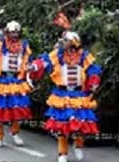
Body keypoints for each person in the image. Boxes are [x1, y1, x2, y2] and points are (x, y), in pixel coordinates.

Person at [30, 32, 101, 162]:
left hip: (80, 95)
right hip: (62, 94)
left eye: (66, 41)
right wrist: (34, 66)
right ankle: (62, 153)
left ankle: (78, 145)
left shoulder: (84, 56)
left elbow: (93, 70)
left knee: (82, 124)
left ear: (74, 42)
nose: (63, 42)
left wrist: (93, 82)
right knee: (61, 126)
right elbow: (44, 62)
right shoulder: (57, 55)